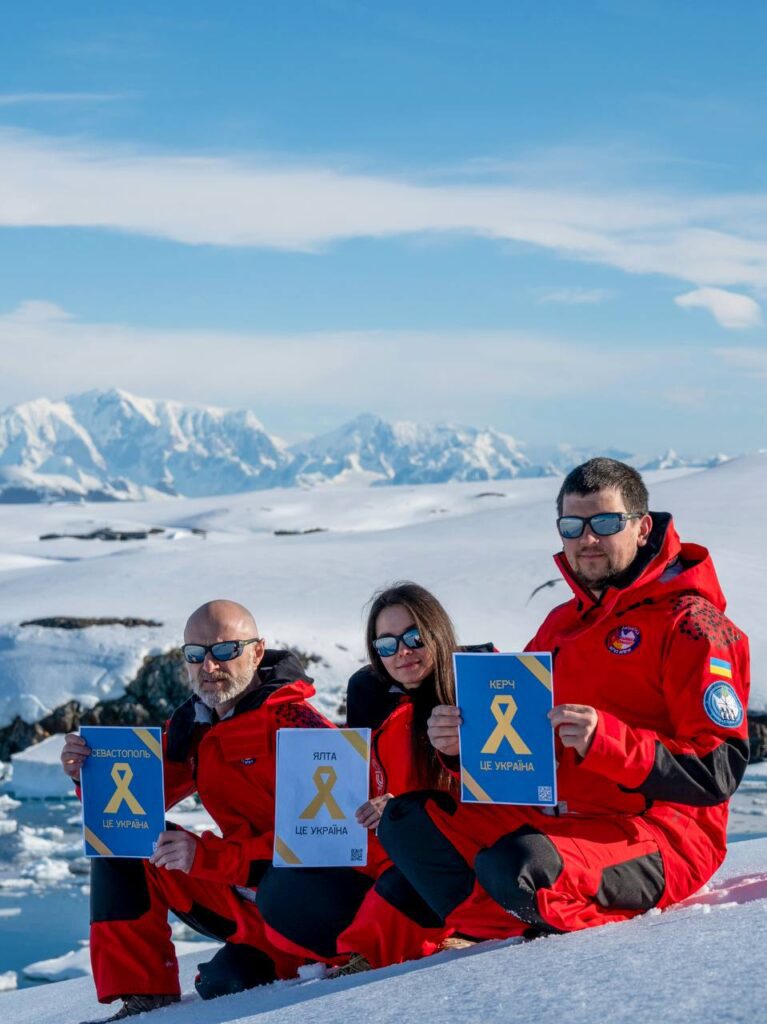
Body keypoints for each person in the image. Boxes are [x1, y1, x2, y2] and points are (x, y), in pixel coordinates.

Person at [377, 458, 751, 939]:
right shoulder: (560, 623)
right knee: (407, 821)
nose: (587, 539)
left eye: (605, 523)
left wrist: (606, 741)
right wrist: (461, 747)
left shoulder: (694, 624)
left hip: (661, 834)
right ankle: (500, 928)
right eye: (572, 526)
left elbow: (717, 771)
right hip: (562, 815)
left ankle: (531, 927)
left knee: (518, 866)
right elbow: (522, 748)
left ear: (641, 528)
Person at [61, 599, 334, 1022]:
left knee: (228, 984)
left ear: (257, 652)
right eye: (196, 654)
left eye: (225, 651)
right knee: (121, 833)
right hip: (244, 897)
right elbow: (135, 801)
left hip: (303, 900)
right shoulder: (195, 724)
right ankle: (144, 995)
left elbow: (326, 847)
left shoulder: (298, 725)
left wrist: (207, 856)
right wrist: (87, 775)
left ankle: (307, 959)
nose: (209, 666)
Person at [257, 582, 492, 968]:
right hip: (390, 852)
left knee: (402, 880)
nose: (402, 652)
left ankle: (384, 953)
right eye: (386, 645)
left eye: (414, 637)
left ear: (437, 633)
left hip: (462, 855)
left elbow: (503, 792)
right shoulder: (371, 694)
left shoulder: (474, 687)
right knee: (284, 893)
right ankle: (400, 944)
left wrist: (408, 809)